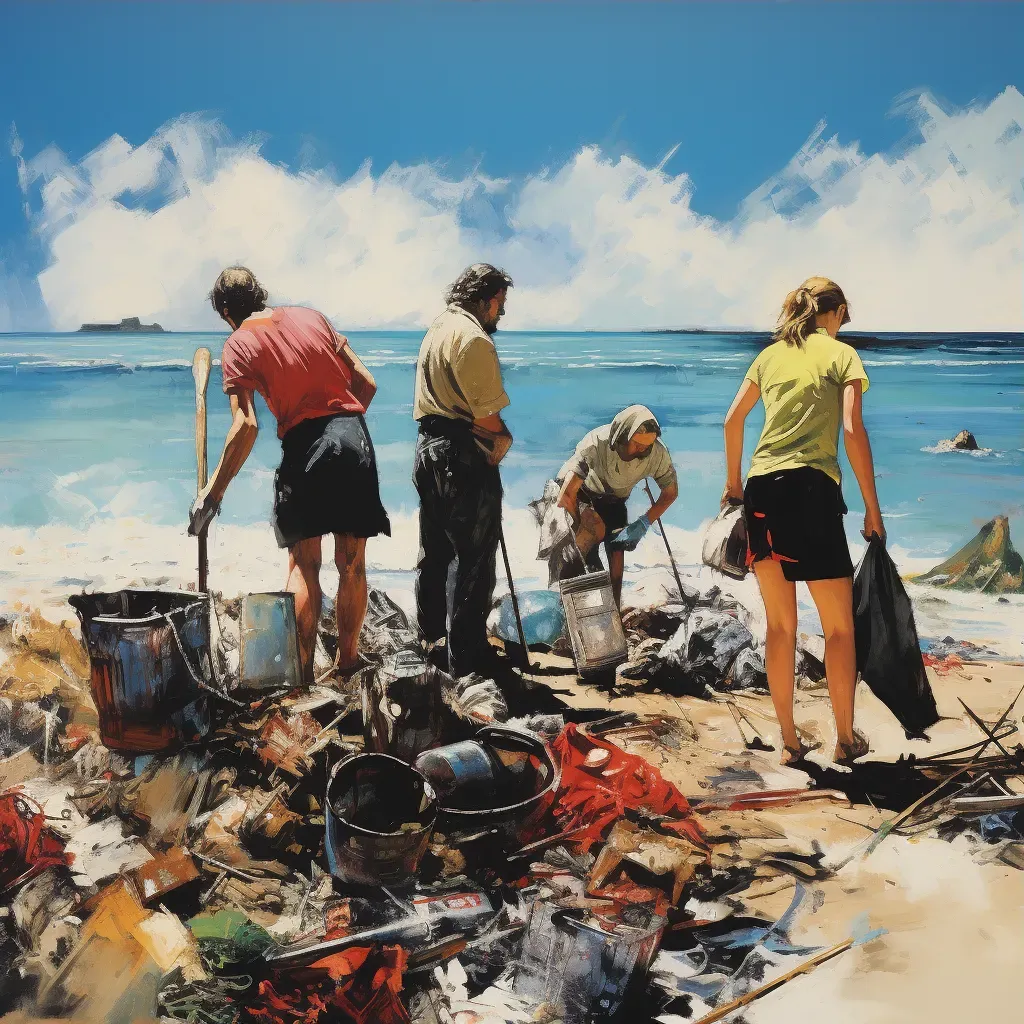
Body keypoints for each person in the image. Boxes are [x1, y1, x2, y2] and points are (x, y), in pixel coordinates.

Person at [189, 267, 390, 682]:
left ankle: (299, 678)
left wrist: (213, 494)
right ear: (260, 294)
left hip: (305, 443)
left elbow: (246, 425)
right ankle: (347, 665)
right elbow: (365, 383)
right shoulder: (311, 317)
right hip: (353, 435)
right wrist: (341, 428)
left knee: (304, 566)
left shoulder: (239, 343)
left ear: (226, 311)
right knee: (352, 563)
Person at [722, 276, 884, 767]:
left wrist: (733, 486)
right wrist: (872, 511)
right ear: (832, 314)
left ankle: (791, 744)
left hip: (762, 490)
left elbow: (733, 421)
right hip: (811, 490)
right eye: (843, 318)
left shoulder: (768, 356)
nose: (842, 327)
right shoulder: (842, 355)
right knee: (838, 629)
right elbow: (852, 430)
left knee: (780, 626)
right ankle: (843, 740)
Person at [412, 263, 514, 678]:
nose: (501, 315)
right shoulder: (473, 338)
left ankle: (431, 646)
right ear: (485, 299)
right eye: (500, 305)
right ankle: (467, 659)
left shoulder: (437, 328)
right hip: (460, 454)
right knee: (474, 557)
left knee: (434, 554)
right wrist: (503, 440)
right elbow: (487, 418)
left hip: (428, 448)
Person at [555, 406, 678, 607]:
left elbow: (670, 493)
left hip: (615, 499)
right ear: (621, 437)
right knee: (582, 548)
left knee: (617, 547)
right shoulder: (596, 444)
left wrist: (643, 523)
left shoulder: (657, 453)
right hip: (582, 494)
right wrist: (581, 528)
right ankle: (566, 609)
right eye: (637, 445)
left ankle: (613, 611)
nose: (643, 451)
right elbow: (566, 495)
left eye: (647, 446)